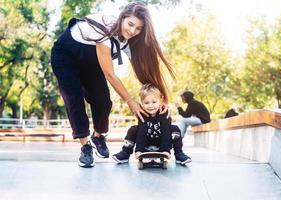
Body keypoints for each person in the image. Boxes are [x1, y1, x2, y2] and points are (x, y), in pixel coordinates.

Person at [50, 2, 175, 168]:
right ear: (122, 17)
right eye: (130, 24)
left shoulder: (130, 40)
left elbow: (143, 73)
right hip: (66, 54)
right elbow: (109, 74)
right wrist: (131, 101)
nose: (132, 31)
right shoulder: (105, 28)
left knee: (103, 101)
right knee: (75, 100)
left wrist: (160, 98)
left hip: (91, 58)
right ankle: (85, 147)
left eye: (138, 28)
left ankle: (98, 136)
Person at [112, 84, 192, 165]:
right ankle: (125, 153)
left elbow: (166, 132)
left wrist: (166, 150)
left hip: (161, 145)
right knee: (133, 129)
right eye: (146, 103)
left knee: (174, 128)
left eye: (154, 102)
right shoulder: (142, 114)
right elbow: (141, 132)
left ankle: (179, 154)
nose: (151, 106)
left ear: (161, 100)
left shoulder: (164, 113)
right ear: (141, 103)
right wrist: (139, 150)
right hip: (146, 145)